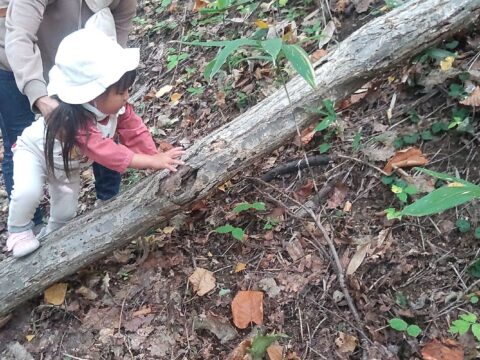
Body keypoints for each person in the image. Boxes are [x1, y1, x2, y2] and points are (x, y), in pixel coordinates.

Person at [6, 28, 185, 258]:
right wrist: (150, 161)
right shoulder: (75, 121)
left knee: (66, 211)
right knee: (28, 191)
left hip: (68, 166)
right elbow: (107, 152)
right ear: (94, 94)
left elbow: (135, 130)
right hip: (34, 154)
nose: (127, 96)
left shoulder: (117, 110)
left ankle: (52, 241)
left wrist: (154, 158)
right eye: (121, 92)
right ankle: (19, 231)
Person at [0, 0, 138, 226]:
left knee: (102, 123)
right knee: (20, 139)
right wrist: (40, 98)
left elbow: (121, 22)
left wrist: (108, 79)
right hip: (15, 60)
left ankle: (110, 206)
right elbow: (19, 37)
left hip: (79, 66)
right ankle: (27, 228)